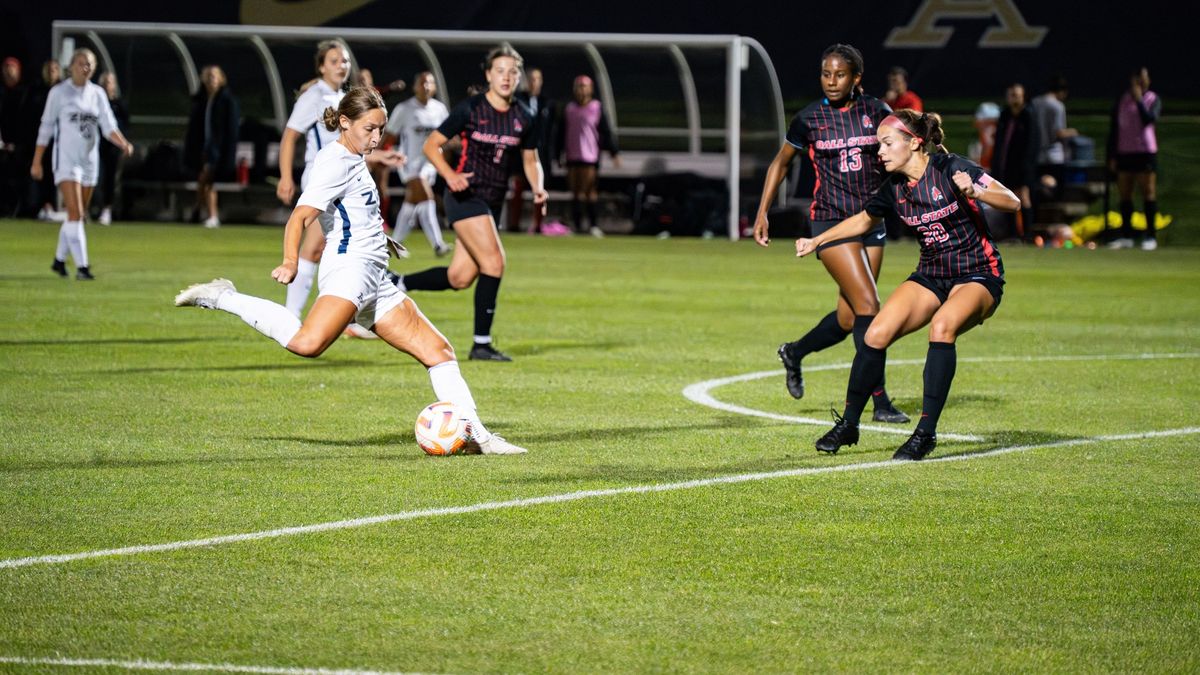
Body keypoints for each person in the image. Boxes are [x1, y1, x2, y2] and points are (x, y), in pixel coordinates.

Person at [174, 86, 525, 455]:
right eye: (369, 129)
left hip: (375, 277)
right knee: (307, 344)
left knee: (439, 351)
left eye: (380, 129)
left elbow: (354, 212)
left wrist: (380, 236)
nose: (375, 137)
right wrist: (291, 261)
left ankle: (478, 437)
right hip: (350, 272)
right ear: (344, 122)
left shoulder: (354, 156)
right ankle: (222, 296)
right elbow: (300, 216)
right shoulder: (334, 162)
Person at [796, 110, 1019, 460]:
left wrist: (975, 190)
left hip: (978, 274)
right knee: (874, 334)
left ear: (914, 143)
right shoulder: (894, 188)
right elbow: (863, 220)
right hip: (931, 275)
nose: (879, 152)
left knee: (942, 327)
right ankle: (850, 425)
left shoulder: (950, 168)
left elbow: (1013, 201)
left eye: (886, 144)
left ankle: (924, 434)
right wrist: (817, 240)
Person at [752, 43, 909, 424]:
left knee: (847, 318)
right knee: (870, 307)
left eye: (840, 75)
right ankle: (880, 402)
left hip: (871, 221)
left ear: (857, 78)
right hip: (830, 223)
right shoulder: (809, 119)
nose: (831, 81)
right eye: (826, 74)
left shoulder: (876, 112)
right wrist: (762, 212)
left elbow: (904, 149)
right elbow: (780, 163)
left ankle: (794, 352)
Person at [390, 43, 548, 362]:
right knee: (495, 263)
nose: (506, 77)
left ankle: (396, 281)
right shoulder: (471, 109)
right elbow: (432, 147)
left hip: (492, 201)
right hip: (465, 196)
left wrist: (539, 188)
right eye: (499, 71)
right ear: (489, 75)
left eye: (512, 72)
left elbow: (531, 160)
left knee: (459, 278)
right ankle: (481, 344)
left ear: (519, 77)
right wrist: (450, 176)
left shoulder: (524, 116)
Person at [30, 48, 133, 280]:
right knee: (76, 213)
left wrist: (124, 143)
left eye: (88, 64)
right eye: (79, 63)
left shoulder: (97, 94)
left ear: (93, 68)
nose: (84, 67)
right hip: (66, 160)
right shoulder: (59, 92)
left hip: (89, 161)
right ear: (71, 66)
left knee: (77, 215)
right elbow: (45, 127)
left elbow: (108, 126)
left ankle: (59, 260)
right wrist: (37, 161)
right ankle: (83, 267)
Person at [276, 39, 354, 317]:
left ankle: (346, 317)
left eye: (344, 61)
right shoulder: (314, 97)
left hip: (341, 180)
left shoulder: (342, 98)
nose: (341, 66)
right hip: (322, 178)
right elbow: (289, 136)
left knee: (338, 246)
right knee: (316, 246)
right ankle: (291, 316)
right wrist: (286, 177)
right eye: (333, 61)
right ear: (321, 67)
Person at [382, 70, 451, 256]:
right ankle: (438, 244)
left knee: (411, 203)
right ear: (415, 87)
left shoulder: (439, 109)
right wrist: (379, 156)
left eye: (429, 83)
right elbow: (389, 134)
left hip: (431, 163)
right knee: (427, 197)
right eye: (422, 82)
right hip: (409, 162)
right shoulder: (404, 109)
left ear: (435, 87)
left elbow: (447, 136)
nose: (426, 86)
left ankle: (393, 245)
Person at [1106, 67, 1161, 251]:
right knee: (1125, 194)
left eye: (1145, 79)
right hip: (1125, 153)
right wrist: (1112, 155)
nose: (1142, 82)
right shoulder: (1122, 100)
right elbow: (1115, 129)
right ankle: (1127, 235)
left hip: (1145, 152)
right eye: (1139, 79)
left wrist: (1139, 101)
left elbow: (1148, 120)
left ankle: (1151, 236)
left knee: (1148, 192)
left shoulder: (1152, 99)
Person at [556, 74, 618, 237]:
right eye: (578, 86)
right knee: (576, 192)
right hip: (572, 156)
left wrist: (613, 152)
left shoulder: (596, 108)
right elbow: (561, 133)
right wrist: (558, 154)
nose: (581, 90)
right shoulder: (569, 109)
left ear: (590, 89)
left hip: (590, 157)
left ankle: (593, 225)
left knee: (589, 191)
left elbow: (605, 131)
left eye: (584, 86)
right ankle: (577, 225)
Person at [183, 65, 239, 229]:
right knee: (206, 180)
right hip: (203, 149)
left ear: (221, 79)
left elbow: (231, 129)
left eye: (213, 76)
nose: (210, 80)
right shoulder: (201, 101)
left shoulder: (227, 101)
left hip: (218, 150)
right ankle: (201, 210)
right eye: (208, 77)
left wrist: (227, 151)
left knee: (207, 180)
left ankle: (208, 213)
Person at [508, 66, 554, 234]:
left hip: (539, 155)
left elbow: (550, 132)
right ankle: (514, 224)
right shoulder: (517, 100)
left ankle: (538, 225)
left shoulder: (547, 103)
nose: (534, 83)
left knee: (539, 190)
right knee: (518, 189)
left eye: (537, 79)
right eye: (531, 79)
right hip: (520, 154)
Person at [990, 83, 1037, 239]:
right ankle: (1013, 234)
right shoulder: (1005, 116)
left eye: (1017, 95)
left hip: (1023, 165)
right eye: (1011, 95)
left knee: (1024, 196)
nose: (1013, 99)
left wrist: (1027, 166)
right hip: (1007, 164)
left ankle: (1028, 234)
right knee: (1007, 197)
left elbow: (1031, 144)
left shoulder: (1028, 116)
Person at [1030, 75, 1077, 193]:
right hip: (1054, 155)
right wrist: (1073, 132)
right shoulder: (1057, 106)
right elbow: (1059, 132)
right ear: (1062, 91)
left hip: (1036, 154)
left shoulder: (1034, 103)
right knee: (1055, 189)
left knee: (1037, 187)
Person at [95, 72, 129, 226]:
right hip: (95, 145)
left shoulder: (119, 104)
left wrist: (123, 143)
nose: (107, 85)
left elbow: (119, 126)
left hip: (112, 147)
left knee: (110, 178)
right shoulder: (94, 102)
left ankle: (107, 209)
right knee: (94, 178)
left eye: (109, 82)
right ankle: (88, 208)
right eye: (104, 82)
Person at [0, 56, 31, 217]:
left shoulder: (25, 93)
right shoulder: (1, 92)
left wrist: (18, 145)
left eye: (11, 68)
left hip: (20, 147)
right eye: (6, 68)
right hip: (2, 145)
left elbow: (26, 122)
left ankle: (19, 210)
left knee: (19, 180)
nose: (8, 71)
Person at [32, 60, 63, 221]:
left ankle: (68, 207)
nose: (52, 72)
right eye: (49, 69)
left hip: (61, 141)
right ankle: (46, 206)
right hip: (43, 140)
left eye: (55, 69)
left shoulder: (64, 91)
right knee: (41, 173)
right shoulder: (38, 92)